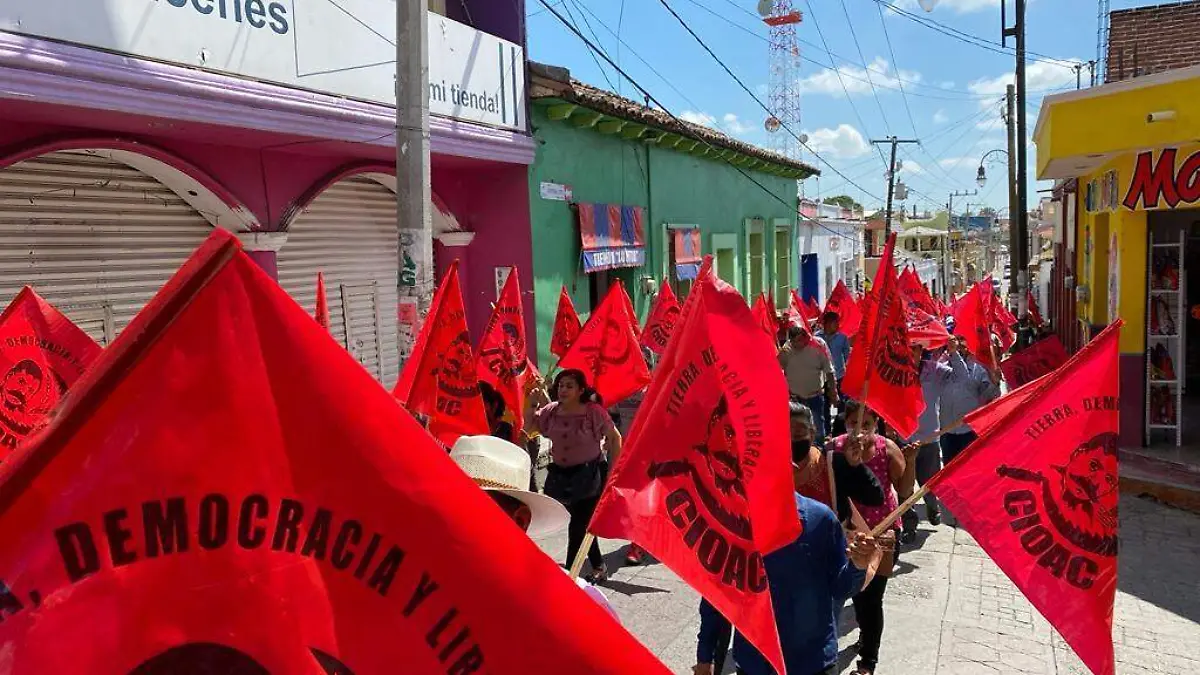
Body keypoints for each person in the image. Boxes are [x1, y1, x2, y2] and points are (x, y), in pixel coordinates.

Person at [693, 484, 879, 675]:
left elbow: (841, 588)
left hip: (814, 663)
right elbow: (716, 598)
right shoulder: (731, 525)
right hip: (754, 663)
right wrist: (704, 658)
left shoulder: (821, 520)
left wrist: (858, 565)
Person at [448, 434, 616, 619]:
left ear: (520, 520)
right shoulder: (423, 580)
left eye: (470, 509)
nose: (448, 522)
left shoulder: (580, 607)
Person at [528, 369, 623, 583]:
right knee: (583, 522)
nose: (563, 390)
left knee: (578, 525)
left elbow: (615, 438)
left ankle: (569, 574)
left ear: (581, 390)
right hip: (561, 477)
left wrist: (612, 473)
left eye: (569, 386)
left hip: (589, 475)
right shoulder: (551, 411)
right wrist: (533, 403)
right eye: (561, 385)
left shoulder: (593, 412)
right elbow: (529, 427)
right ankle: (598, 565)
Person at [831, 402, 904, 675]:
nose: (859, 431)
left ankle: (868, 663)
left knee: (872, 599)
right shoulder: (833, 449)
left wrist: (909, 460)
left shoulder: (889, 449)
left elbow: (905, 488)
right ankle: (865, 635)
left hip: (882, 534)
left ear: (876, 426)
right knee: (856, 596)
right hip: (846, 534)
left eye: (867, 425)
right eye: (853, 423)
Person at [897, 340, 970, 541]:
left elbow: (961, 378)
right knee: (904, 485)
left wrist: (954, 353)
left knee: (929, 481)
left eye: (914, 348)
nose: (910, 352)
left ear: (921, 350)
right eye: (907, 348)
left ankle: (932, 505)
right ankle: (909, 525)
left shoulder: (934, 370)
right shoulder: (895, 371)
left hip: (929, 437)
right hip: (903, 439)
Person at [790, 401, 884, 524]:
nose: (790, 439)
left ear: (812, 434)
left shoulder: (832, 464)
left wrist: (855, 466)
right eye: (783, 433)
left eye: (798, 433)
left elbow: (875, 497)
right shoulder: (763, 472)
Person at [938, 335, 1002, 468]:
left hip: (969, 432)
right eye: (955, 343)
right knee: (949, 473)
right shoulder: (941, 366)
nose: (958, 347)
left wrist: (995, 383)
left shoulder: (979, 369)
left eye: (961, 344)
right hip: (946, 431)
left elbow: (990, 397)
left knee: (969, 470)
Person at [778, 325, 838, 443]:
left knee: (817, 428)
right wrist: (779, 355)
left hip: (814, 396)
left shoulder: (818, 345)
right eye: (795, 341)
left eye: (801, 339)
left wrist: (833, 391)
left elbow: (829, 371)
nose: (798, 344)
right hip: (795, 398)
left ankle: (818, 450)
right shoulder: (787, 349)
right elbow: (777, 368)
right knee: (797, 429)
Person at [814, 311, 850, 430]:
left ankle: (840, 429)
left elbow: (847, 356)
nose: (837, 325)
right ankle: (827, 430)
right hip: (822, 377)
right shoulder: (816, 337)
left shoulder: (842, 338)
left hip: (839, 376)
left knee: (841, 404)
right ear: (827, 323)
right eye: (835, 322)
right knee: (824, 405)